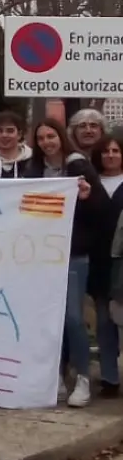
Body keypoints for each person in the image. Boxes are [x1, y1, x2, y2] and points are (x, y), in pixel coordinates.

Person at [28, 119, 109, 408]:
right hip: (43, 254)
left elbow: (101, 207)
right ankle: (58, 376)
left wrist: (86, 197)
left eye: (51, 136)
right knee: (51, 317)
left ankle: (83, 378)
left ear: (61, 137)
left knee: (73, 317)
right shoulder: (33, 170)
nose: (46, 142)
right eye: (41, 138)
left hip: (74, 253)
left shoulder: (78, 165)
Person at [87, 135, 123, 398]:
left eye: (116, 151)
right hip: (99, 262)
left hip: (122, 262)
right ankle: (110, 377)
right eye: (106, 151)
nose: (110, 155)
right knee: (104, 322)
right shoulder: (90, 183)